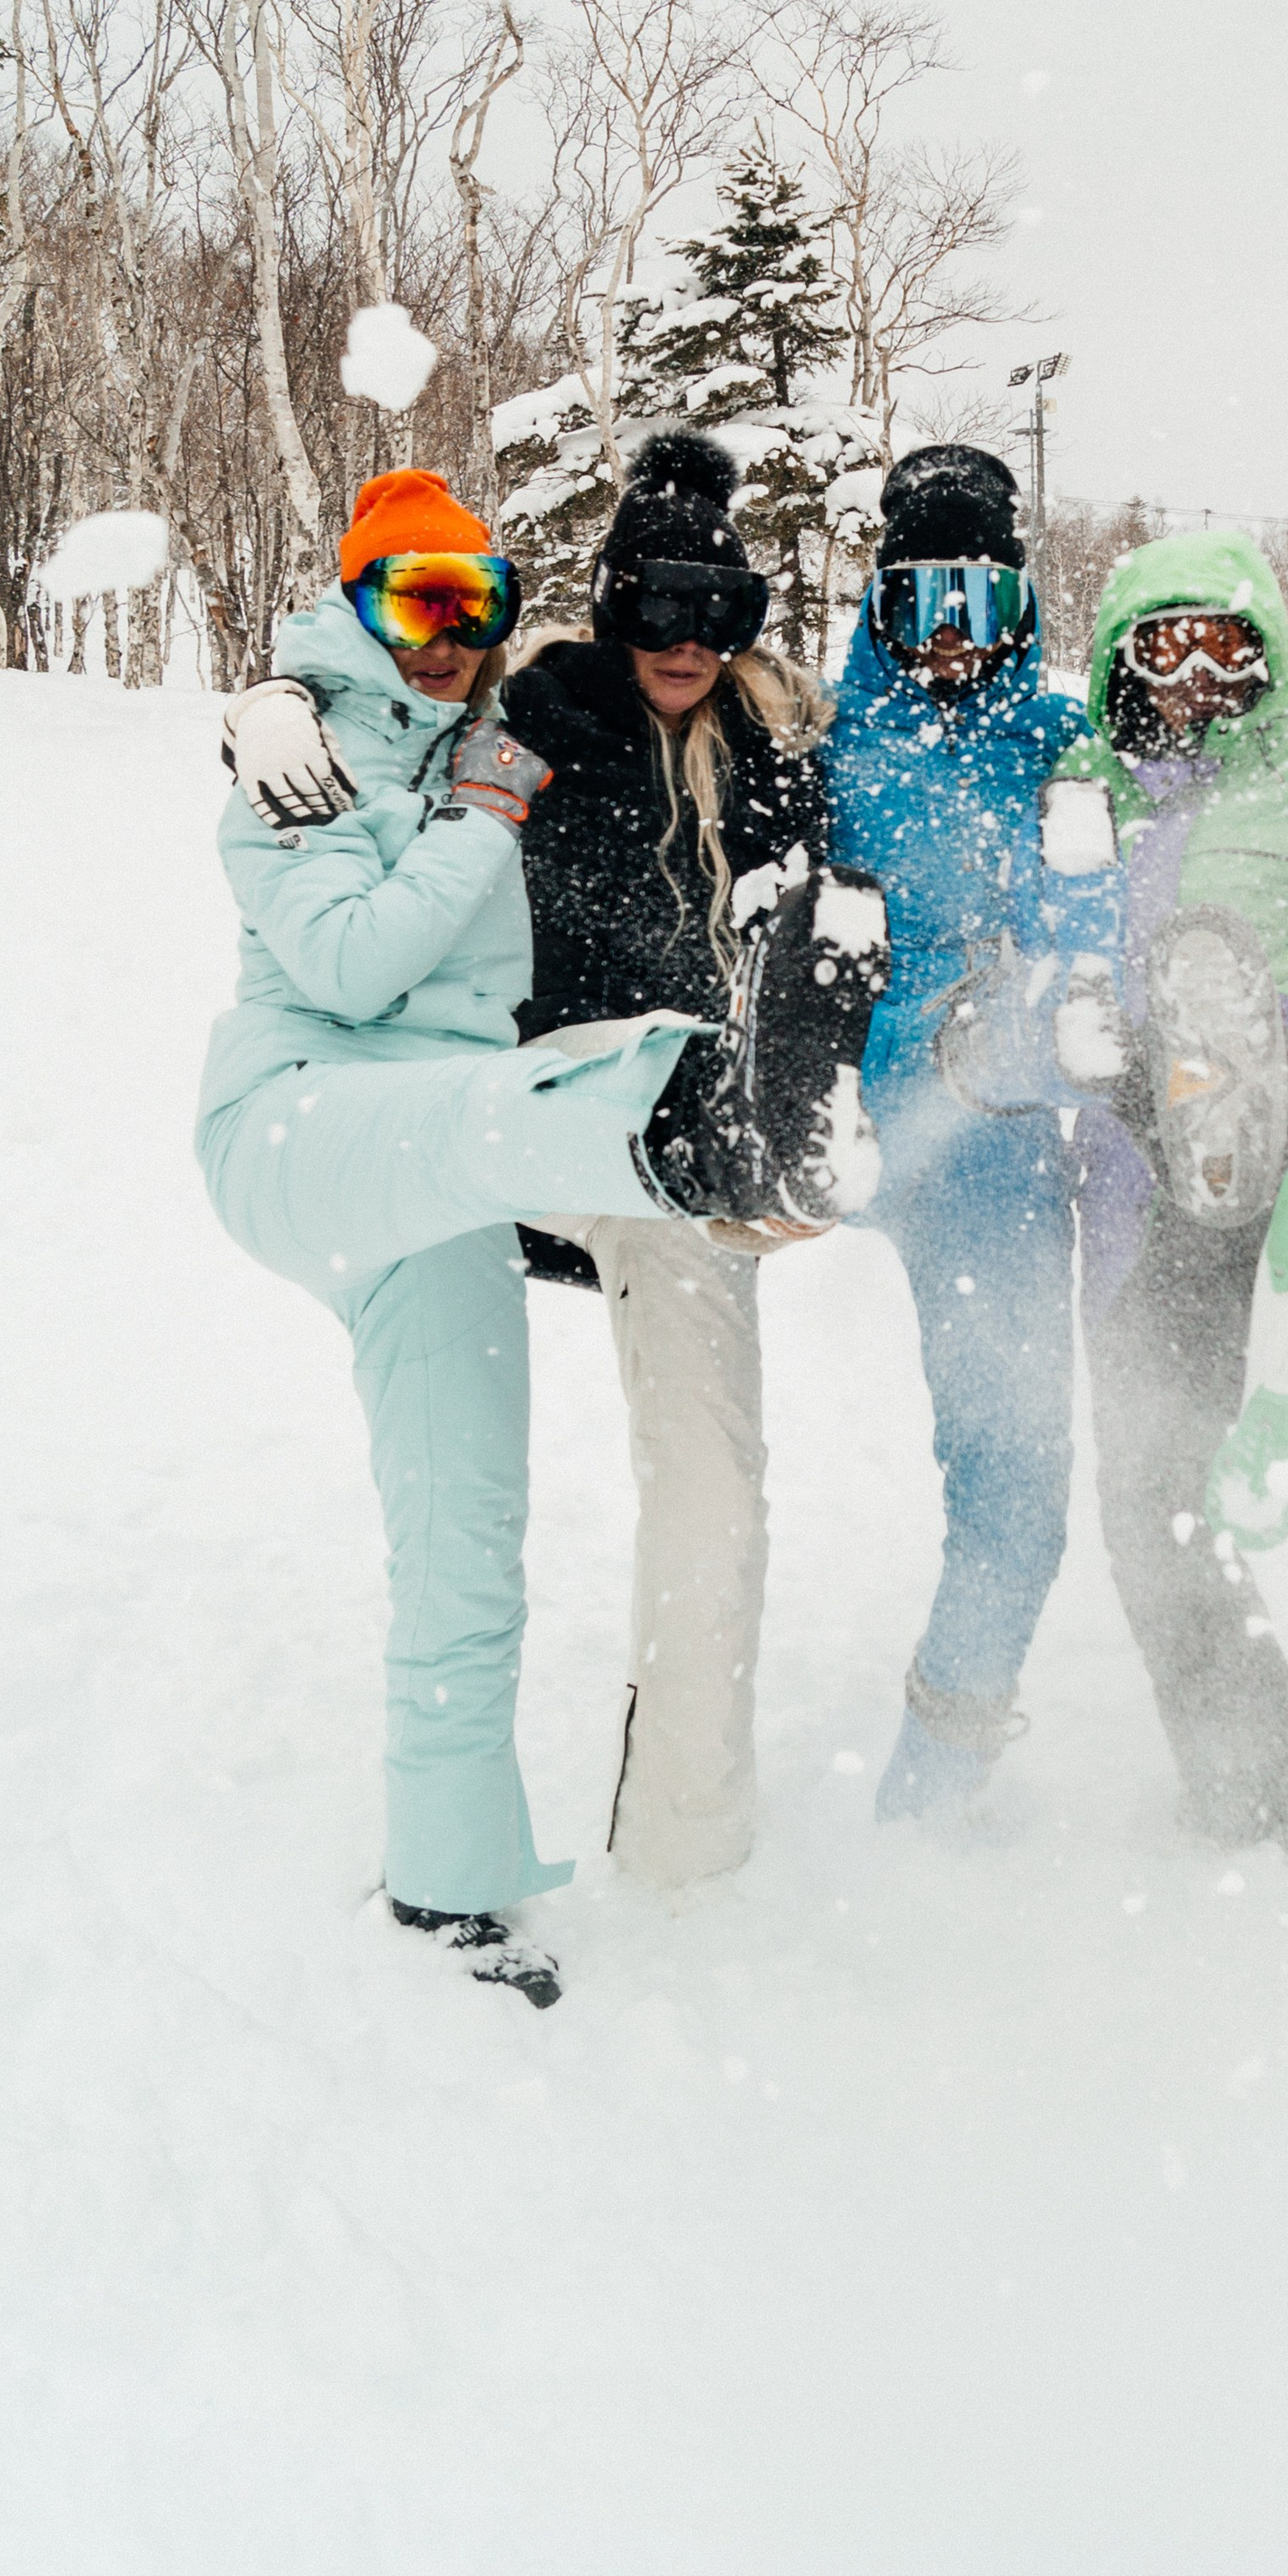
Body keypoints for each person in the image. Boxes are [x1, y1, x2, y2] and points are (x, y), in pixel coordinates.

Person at [202, 469, 886, 2005]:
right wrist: (275, 706)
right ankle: (692, 1116)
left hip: (505, 1138)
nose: (446, 638)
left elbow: (439, 730)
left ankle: (483, 1881)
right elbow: (354, 955)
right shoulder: (496, 733)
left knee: (471, 1533)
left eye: (474, 606)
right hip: (349, 1117)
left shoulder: (524, 729)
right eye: (412, 604)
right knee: (504, 1112)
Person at [1050, 528, 1288, 1846]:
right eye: (1166, 644)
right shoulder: (1081, 791)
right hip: (1137, 1179)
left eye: (1229, 643)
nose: (1199, 673)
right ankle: (1255, 1792)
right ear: (1120, 658)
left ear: (1267, 655)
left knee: (1237, 1024)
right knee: (1154, 1499)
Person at [498, 434, 831, 1891]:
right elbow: (406, 765)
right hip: (540, 1110)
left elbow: (809, 946)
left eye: (720, 612)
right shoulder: (542, 715)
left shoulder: (773, 747)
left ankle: (689, 1843)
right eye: (657, 608)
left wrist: (791, 1134)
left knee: (713, 1490)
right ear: (610, 605)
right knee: (459, 1486)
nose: (687, 643)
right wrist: (275, 700)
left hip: (694, 1156)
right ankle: (447, 1801)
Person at [823, 445, 1117, 1820]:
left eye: (980, 603)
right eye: (920, 602)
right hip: (855, 1136)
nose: (950, 639)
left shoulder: (1064, 744)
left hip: (1004, 1149)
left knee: (1017, 1490)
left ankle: (932, 1793)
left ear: (1022, 609)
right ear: (879, 609)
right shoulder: (828, 749)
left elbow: (1178, 825)